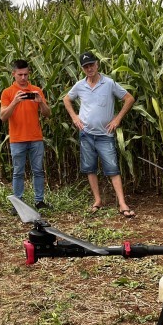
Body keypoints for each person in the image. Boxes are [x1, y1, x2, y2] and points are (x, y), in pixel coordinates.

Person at [63, 51, 136, 216]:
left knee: (113, 169)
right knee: (90, 168)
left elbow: (129, 98)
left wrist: (117, 119)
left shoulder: (109, 83)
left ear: (97, 65)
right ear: (82, 69)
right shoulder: (80, 85)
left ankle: (123, 204)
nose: (90, 68)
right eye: (86, 66)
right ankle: (98, 200)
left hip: (105, 135)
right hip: (86, 134)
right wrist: (75, 117)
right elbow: (66, 99)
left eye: (92, 65)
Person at [0, 58, 51, 210]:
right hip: (17, 139)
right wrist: (15, 102)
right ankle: (18, 203)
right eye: (20, 75)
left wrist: (40, 102)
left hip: (36, 138)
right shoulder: (8, 93)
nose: (23, 78)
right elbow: (3, 117)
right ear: (13, 74)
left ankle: (39, 201)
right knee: (18, 172)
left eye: (26, 75)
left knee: (38, 171)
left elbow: (48, 114)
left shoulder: (36, 90)